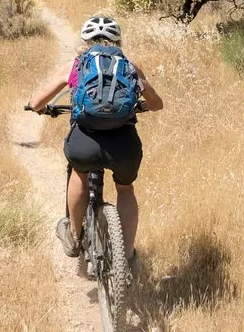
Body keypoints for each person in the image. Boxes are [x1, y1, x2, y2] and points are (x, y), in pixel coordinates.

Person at [28, 16, 164, 262]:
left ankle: (74, 235)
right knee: (125, 189)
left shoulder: (77, 65)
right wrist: (141, 105)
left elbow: (37, 102)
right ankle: (127, 254)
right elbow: (158, 104)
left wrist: (36, 107)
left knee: (80, 173)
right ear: (117, 40)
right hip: (124, 145)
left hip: (85, 142)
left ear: (85, 41)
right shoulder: (130, 66)